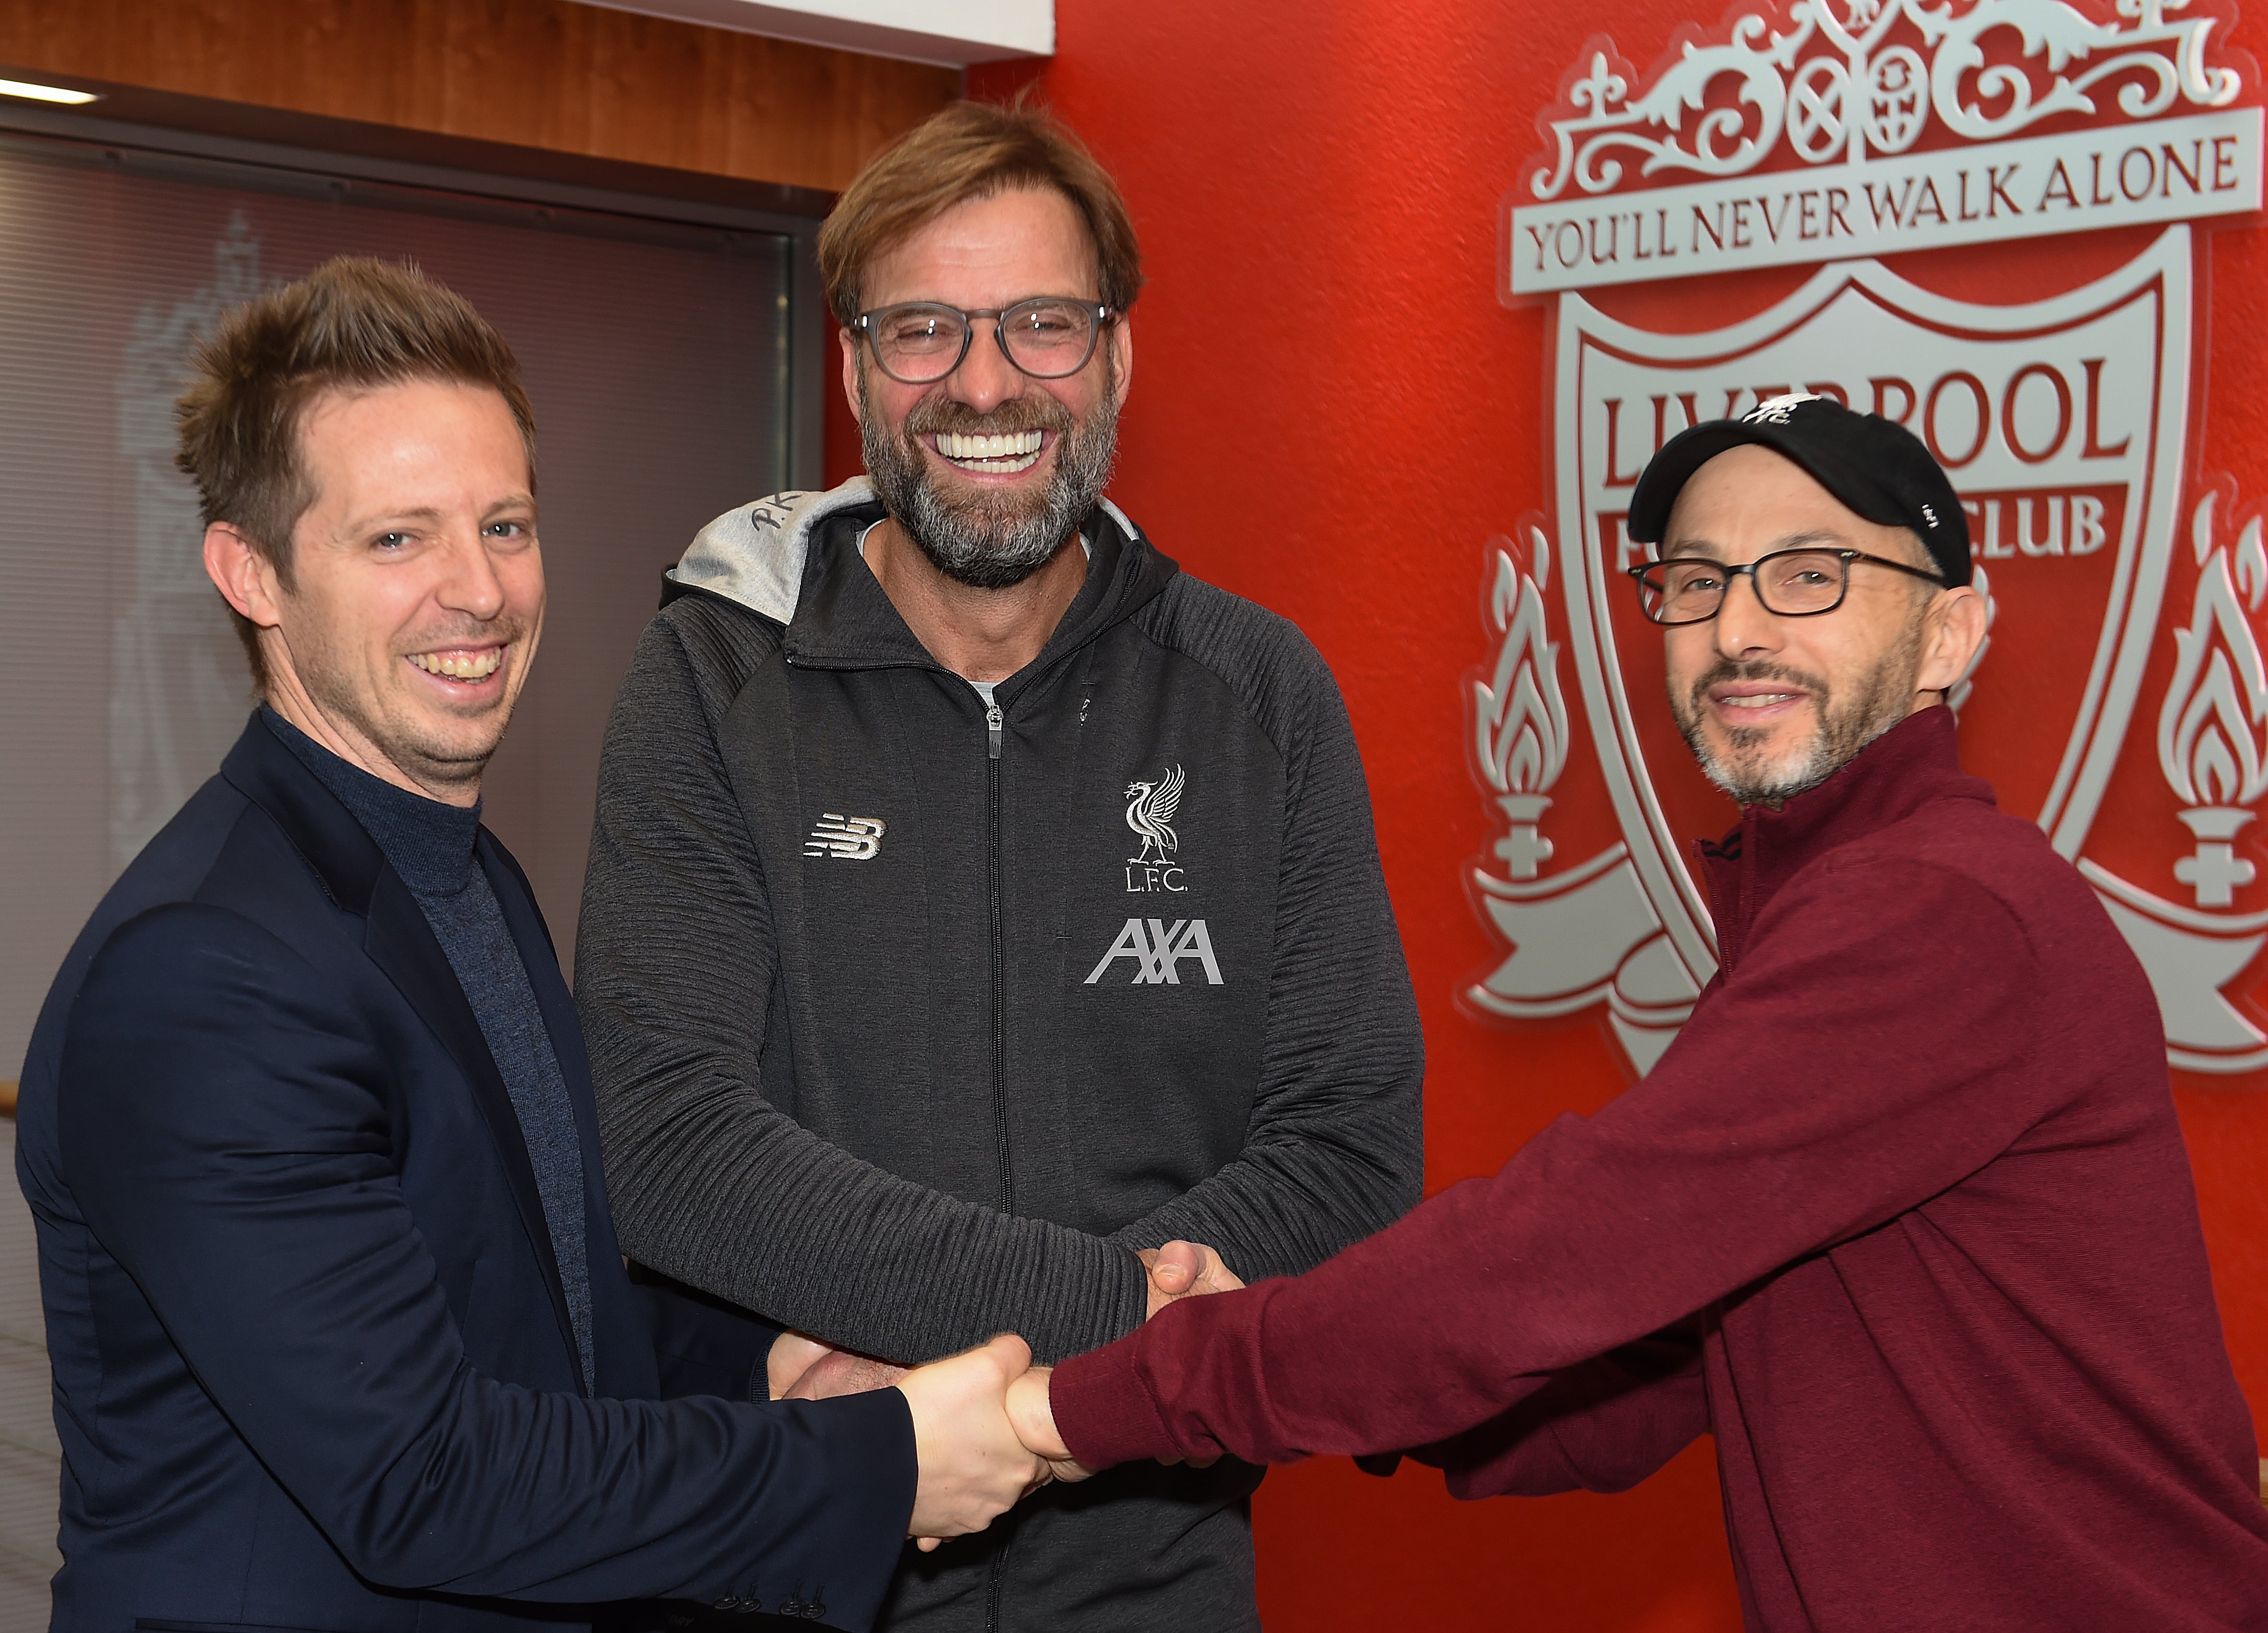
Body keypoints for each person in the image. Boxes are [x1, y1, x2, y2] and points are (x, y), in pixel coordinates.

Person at [1009, 394, 2268, 1630]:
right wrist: (1291, 1354)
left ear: (1950, 634)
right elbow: (1661, 1359)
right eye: (1697, 581)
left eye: (1808, 575)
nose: (1736, 629)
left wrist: (1084, 1405)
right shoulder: (1824, 899)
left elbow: (1562, 1251)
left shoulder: (1936, 913)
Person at [15, 256, 1047, 1632]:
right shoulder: (206, 975)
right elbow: (424, 1475)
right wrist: (885, 1460)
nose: (479, 592)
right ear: (250, 573)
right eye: (398, 539)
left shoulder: (463, 874)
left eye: (505, 525)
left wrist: (772, 1369)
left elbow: (539, 1294)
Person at [574, 101, 1424, 1630]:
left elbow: (1347, 1153)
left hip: (1154, 1569)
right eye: (922, 330)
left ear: (1112, 356)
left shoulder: (1257, 696)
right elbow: (669, 1144)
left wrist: (1040, 1405)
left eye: (1040, 324)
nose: (982, 382)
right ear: (850, 369)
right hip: (800, 1548)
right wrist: (1119, 1325)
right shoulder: (709, 681)